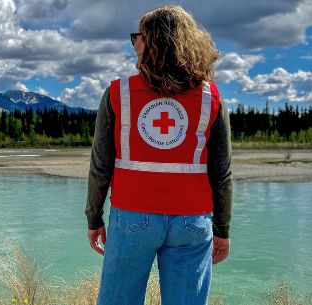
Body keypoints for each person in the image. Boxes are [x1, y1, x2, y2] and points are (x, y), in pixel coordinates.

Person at [84, 5, 233, 305]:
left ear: (149, 42)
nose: (133, 44)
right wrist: (222, 229)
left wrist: (93, 217)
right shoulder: (210, 97)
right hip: (192, 221)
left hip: (131, 217)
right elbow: (222, 173)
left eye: (136, 37)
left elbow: (101, 166)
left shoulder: (118, 93)